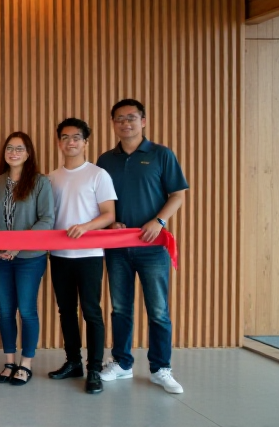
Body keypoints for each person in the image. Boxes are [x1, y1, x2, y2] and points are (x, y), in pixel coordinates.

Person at [96, 99, 189, 394]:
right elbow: (100, 202)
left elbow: (178, 194)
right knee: (120, 308)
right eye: (120, 118)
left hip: (152, 247)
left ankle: (161, 368)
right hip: (116, 247)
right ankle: (122, 364)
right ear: (113, 123)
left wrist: (158, 222)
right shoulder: (105, 160)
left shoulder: (161, 154)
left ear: (143, 121)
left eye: (132, 117)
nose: (126, 123)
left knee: (158, 310)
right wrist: (110, 224)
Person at [47, 118, 116, 395]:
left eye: (76, 137)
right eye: (65, 137)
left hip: (89, 254)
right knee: (65, 311)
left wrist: (85, 228)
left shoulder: (98, 174)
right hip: (59, 255)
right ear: (58, 142)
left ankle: (95, 369)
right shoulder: (51, 177)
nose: (70, 142)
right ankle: (73, 362)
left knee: (91, 312)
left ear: (85, 142)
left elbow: (109, 214)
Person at [0, 131, 54, 387]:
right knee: (5, 312)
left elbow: (47, 220)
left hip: (29, 257)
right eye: (9, 148)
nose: (13, 153)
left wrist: (17, 245)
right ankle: (9, 361)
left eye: (19, 148)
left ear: (28, 154)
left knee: (26, 311)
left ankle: (26, 363)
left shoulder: (40, 182)